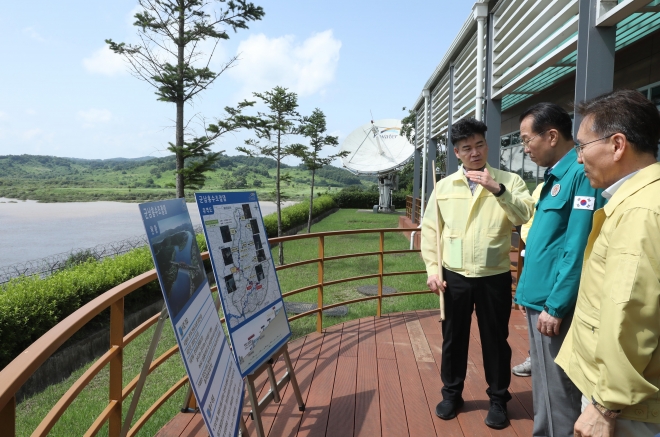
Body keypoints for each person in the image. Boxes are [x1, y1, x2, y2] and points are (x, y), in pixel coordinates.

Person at [555, 89, 660, 437]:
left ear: (617, 145)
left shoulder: (639, 212)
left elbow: (630, 313)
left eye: (582, 146)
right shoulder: (644, 199)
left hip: (624, 407)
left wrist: (604, 407)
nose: (578, 157)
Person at [421, 117, 535, 429]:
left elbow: (525, 215)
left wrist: (498, 190)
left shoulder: (509, 182)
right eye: (467, 148)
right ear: (457, 152)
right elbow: (431, 231)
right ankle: (452, 393)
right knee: (452, 339)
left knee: (496, 340)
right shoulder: (444, 187)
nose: (475, 152)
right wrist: (433, 269)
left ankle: (499, 400)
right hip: (453, 276)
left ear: (487, 145)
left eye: (480, 145)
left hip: (494, 274)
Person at [512, 103, 606, 437]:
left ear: (551, 136)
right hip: (539, 300)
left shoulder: (580, 175)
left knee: (558, 393)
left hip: (554, 307)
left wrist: (556, 305)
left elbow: (578, 245)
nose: (524, 148)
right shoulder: (556, 177)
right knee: (545, 387)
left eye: (527, 139)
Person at [511, 181, 543, 378]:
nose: (528, 148)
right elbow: (529, 219)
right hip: (533, 255)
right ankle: (535, 357)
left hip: (554, 260)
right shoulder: (542, 186)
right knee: (533, 316)